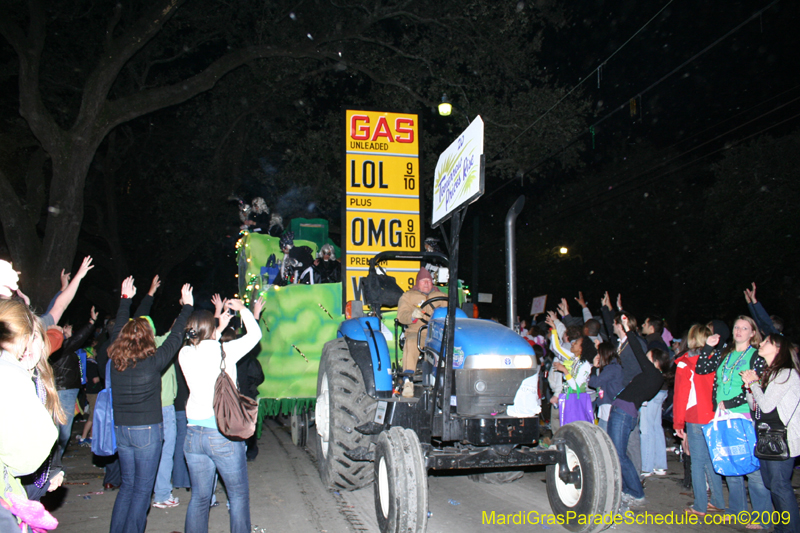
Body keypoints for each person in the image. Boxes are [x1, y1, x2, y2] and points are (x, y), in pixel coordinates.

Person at [107, 277, 194, 533]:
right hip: (147, 433)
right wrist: (186, 307)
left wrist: (125, 301)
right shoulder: (153, 362)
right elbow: (177, 336)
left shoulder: (115, 359)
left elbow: (120, 329)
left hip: (122, 430)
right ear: (148, 339)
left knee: (128, 487)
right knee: (142, 491)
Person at [179, 298, 262, 533]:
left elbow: (203, 345)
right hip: (222, 434)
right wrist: (244, 310)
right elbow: (255, 336)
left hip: (194, 435)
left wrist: (217, 328)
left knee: (200, 498)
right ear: (211, 329)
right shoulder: (226, 349)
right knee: (237, 497)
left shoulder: (184, 354)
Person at [696, 315, 771, 524]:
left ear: (752, 333)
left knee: (752, 467)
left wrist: (730, 403)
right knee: (731, 463)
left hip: (744, 415)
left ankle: (762, 517)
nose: (739, 331)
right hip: (722, 416)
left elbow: (757, 385)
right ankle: (737, 512)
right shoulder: (726, 353)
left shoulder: (756, 356)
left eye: (744, 328)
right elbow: (702, 369)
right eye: (736, 327)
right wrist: (707, 349)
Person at [0, 299, 60, 529]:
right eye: (29, 337)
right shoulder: (13, 376)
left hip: (28, 483)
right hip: (13, 486)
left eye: (37, 338)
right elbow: (25, 458)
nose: (30, 347)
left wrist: (54, 467)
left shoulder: (36, 376)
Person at [606, 314, 669, 508]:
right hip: (624, 412)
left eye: (650, 359)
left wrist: (628, 330)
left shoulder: (653, 374)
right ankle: (628, 490)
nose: (645, 361)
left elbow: (638, 353)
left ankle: (635, 492)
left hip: (624, 413)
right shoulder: (652, 377)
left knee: (619, 454)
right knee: (618, 453)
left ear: (656, 363)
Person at [741, 335, 800, 533]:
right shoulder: (770, 373)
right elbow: (754, 406)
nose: (761, 343)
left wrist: (754, 384)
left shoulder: (786, 373)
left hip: (782, 438)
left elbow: (766, 406)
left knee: (780, 487)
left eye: (765, 341)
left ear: (777, 347)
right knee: (772, 485)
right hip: (767, 437)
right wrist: (751, 386)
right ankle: (782, 528)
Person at [673, 324, 726, 517]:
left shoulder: (685, 362)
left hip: (695, 416)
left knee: (697, 461)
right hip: (714, 415)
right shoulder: (716, 360)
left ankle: (700, 505)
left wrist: (678, 423)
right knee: (712, 460)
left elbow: (681, 395)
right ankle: (718, 500)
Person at [49, 307, 97, 461]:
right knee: (63, 429)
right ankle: (54, 464)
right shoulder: (59, 348)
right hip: (65, 389)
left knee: (60, 426)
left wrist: (67, 336)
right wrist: (91, 322)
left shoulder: (59, 347)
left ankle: (53, 462)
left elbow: (74, 346)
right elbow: (78, 340)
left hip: (64, 389)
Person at [396, 268, 447, 398]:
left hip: (439, 332)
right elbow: (402, 315)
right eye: (423, 281)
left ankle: (449, 381)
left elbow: (451, 312)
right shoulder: (408, 296)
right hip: (417, 331)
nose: (426, 284)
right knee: (412, 341)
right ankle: (408, 381)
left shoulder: (441, 296)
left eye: (429, 281)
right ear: (418, 282)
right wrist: (412, 315)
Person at [588, 341, 623, 432]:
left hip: (609, 404)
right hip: (607, 403)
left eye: (599, 353)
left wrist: (594, 368)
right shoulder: (612, 367)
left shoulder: (611, 368)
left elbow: (594, 383)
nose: (598, 356)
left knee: (604, 434)